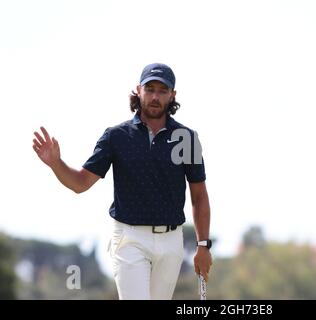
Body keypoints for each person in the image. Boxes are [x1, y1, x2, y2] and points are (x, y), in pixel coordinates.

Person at [32, 63, 212, 300]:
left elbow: (199, 196)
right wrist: (57, 164)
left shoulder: (187, 138)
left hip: (171, 242)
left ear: (172, 95)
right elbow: (80, 183)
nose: (155, 96)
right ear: (139, 90)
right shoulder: (116, 136)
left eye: (162, 90)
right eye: (150, 89)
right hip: (130, 239)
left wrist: (202, 245)